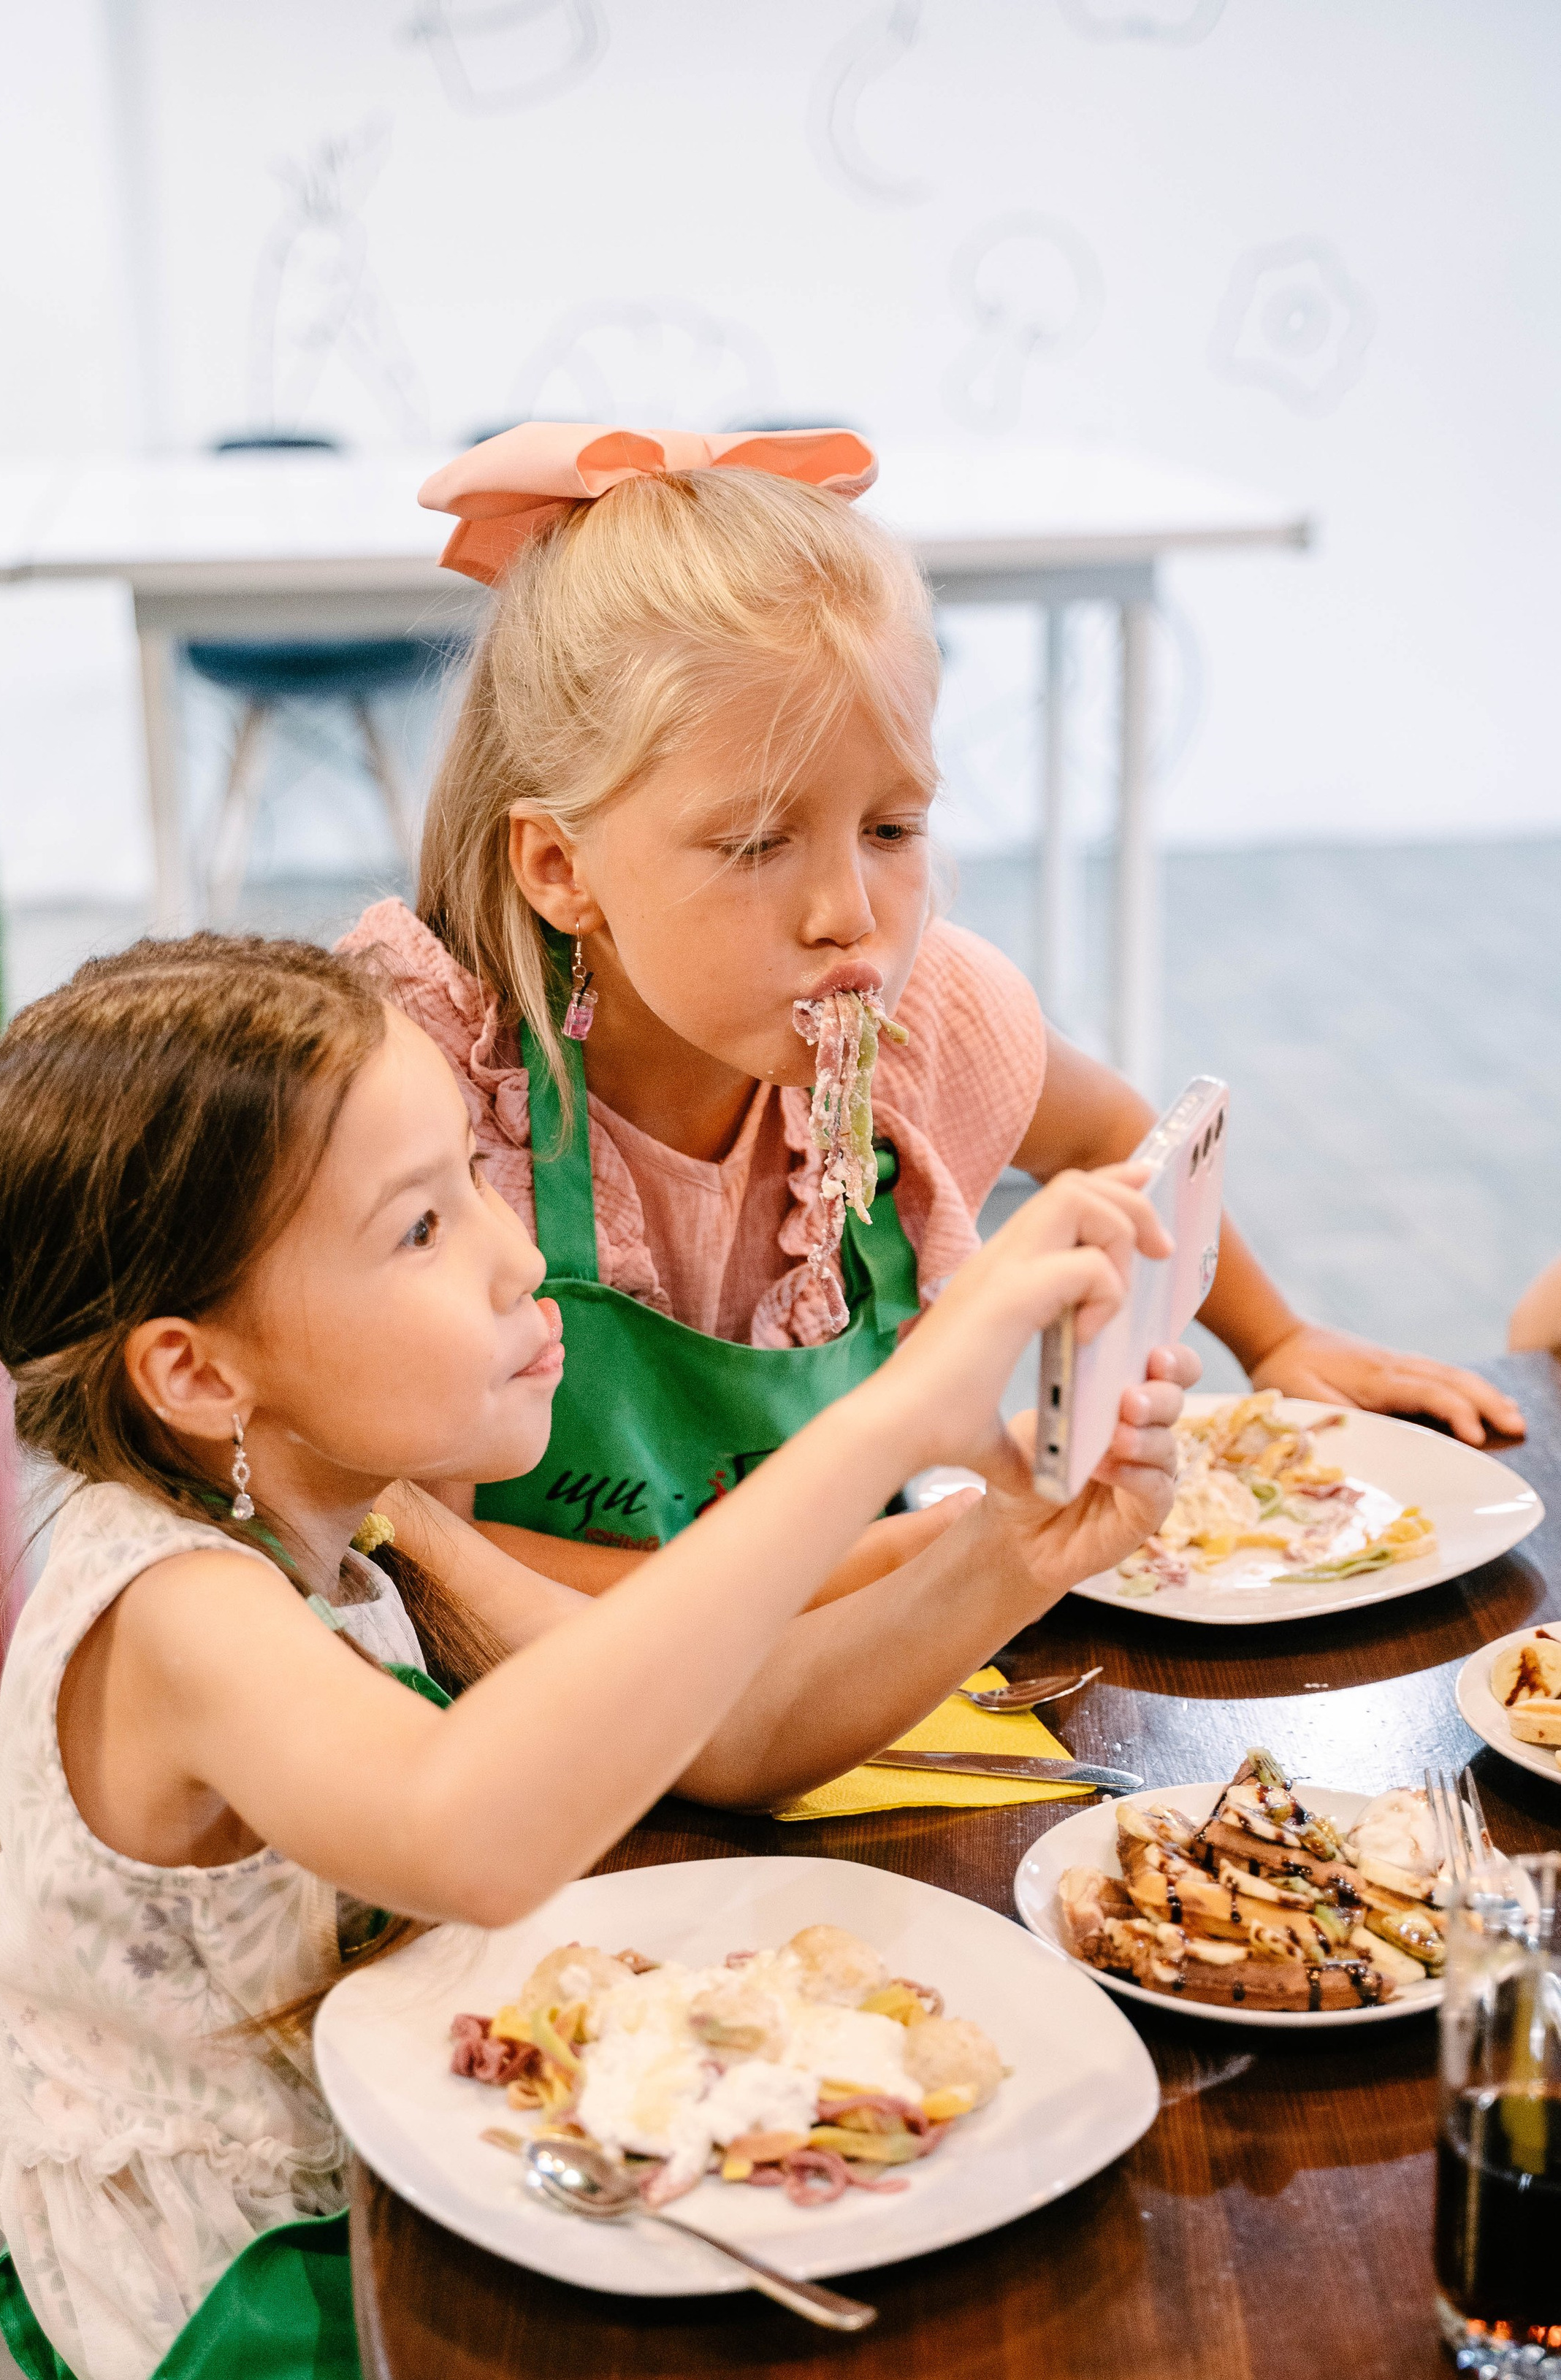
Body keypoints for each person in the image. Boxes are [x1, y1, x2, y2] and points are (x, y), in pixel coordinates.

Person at [0, 931, 1191, 2380]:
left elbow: (723, 1728)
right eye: (421, 1227)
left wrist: (1019, 1546)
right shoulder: (178, 1608)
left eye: (475, 1186)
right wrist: (883, 1427)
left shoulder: (348, 1523)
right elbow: (478, 1831)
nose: (520, 1256)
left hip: (439, 2320)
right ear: (192, 1369)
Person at [341, 422, 1523, 1598]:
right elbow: (418, 1552)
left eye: (894, 829)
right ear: (561, 869)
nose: (849, 914)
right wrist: (898, 1562)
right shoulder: (430, 1094)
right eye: (758, 842)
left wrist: (1274, 1341)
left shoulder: (932, 1026)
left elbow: (1122, 1144)